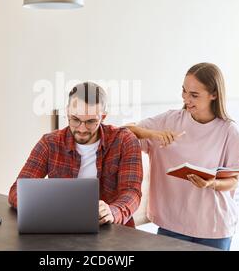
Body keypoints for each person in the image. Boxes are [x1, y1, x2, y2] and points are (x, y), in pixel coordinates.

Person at [126, 63, 239, 250]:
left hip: (214, 227)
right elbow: (123, 133)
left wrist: (211, 183)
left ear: (214, 94)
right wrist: (152, 134)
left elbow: (233, 180)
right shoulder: (169, 120)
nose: (186, 99)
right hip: (172, 224)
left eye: (194, 95)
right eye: (184, 91)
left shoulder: (229, 131)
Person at [9, 82, 143, 227]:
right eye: (75, 119)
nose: (82, 128)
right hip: (62, 229)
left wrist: (113, 211)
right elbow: (17, 191)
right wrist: (46, 208)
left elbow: (132, 191)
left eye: (91, 121)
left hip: (113, 232)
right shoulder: (50, 143)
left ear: (103, 116)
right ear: (67, 112)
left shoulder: (125, 140)